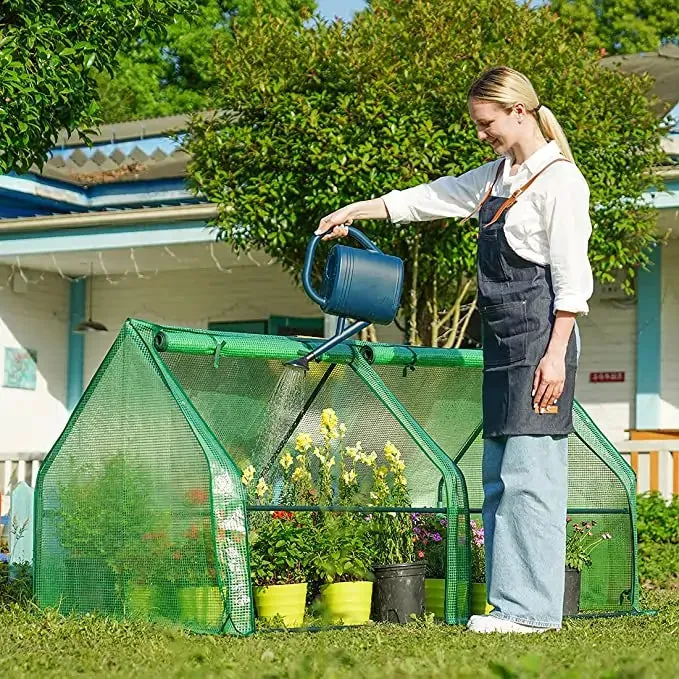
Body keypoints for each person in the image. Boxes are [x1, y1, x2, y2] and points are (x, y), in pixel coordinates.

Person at [314, 66, 593, 634]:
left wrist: (556, 354)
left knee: (531, 476)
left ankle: (534, 613)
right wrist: (353, 211)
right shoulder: (497, 178)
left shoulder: (560, 183)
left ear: (518, 111)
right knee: (500, 476)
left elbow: (571, 279)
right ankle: (513, 605)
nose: (482, 133)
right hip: (504, 345)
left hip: (543, 341)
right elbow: (428, 198)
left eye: (487, 123)